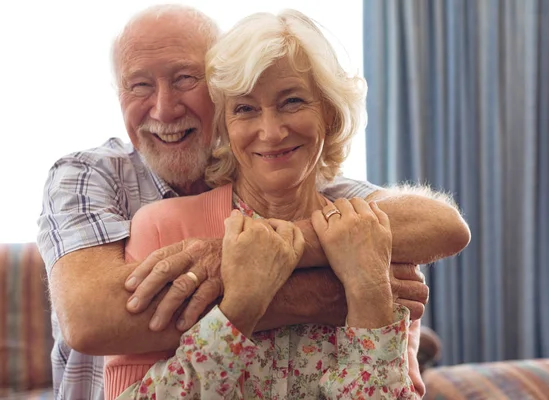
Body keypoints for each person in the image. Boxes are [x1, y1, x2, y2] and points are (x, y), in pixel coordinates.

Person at [36, 5, 470, 400]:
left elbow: (446, 227)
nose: (272, 131)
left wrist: (359, 284)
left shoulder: (360, 229)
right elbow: (89, 321)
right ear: (227, 117)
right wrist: (264, 294)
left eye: (293, 101)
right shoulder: (123, 201)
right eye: (246, 109)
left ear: (330, 116)